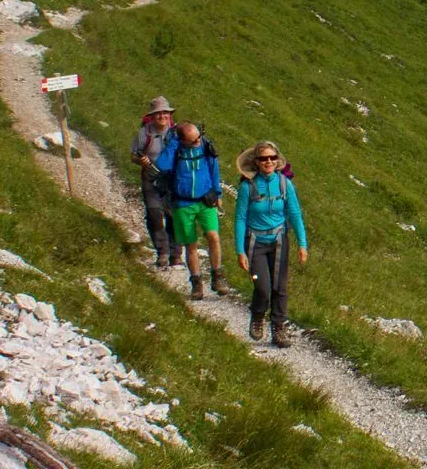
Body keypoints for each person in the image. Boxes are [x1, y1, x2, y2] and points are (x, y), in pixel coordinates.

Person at [234, 142, 309, 347]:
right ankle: (258, 316)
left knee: (280, 287)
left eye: (272, 158)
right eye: (264, 159)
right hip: (255, 244)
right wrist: (240, 251)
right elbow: (240, 219)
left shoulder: (285, 184)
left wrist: (302, 244)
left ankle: (278, 328)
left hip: (278, 242)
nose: (268, 162)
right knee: (262, 285)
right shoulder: (247, 187)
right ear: (256, 162)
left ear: (277, 160)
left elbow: (295, 214)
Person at [156, 122, 232, 299]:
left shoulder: (205, 146)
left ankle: (217, 277)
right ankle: (196, 283)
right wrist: (174, 143)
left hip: (206, 200)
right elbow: (163, 164)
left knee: (213, 236)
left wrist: (217, 193)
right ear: (182, 140)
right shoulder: (175, 150)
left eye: (199, 137)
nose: (198, 142)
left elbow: (214, 170)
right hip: (183, 204)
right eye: (193, 141)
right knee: (191, 245)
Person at [129, 97, 178, 268]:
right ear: (152, 116)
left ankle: (175, 253)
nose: (162, 116)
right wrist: (140, 161)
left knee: (173, 215)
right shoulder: (144, 134)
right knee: (154, 214)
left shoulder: (177, 132)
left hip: (173, 179)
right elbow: (133, 155)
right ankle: (162, 252)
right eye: (158, 113)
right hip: (151, 178)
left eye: (165, 113)